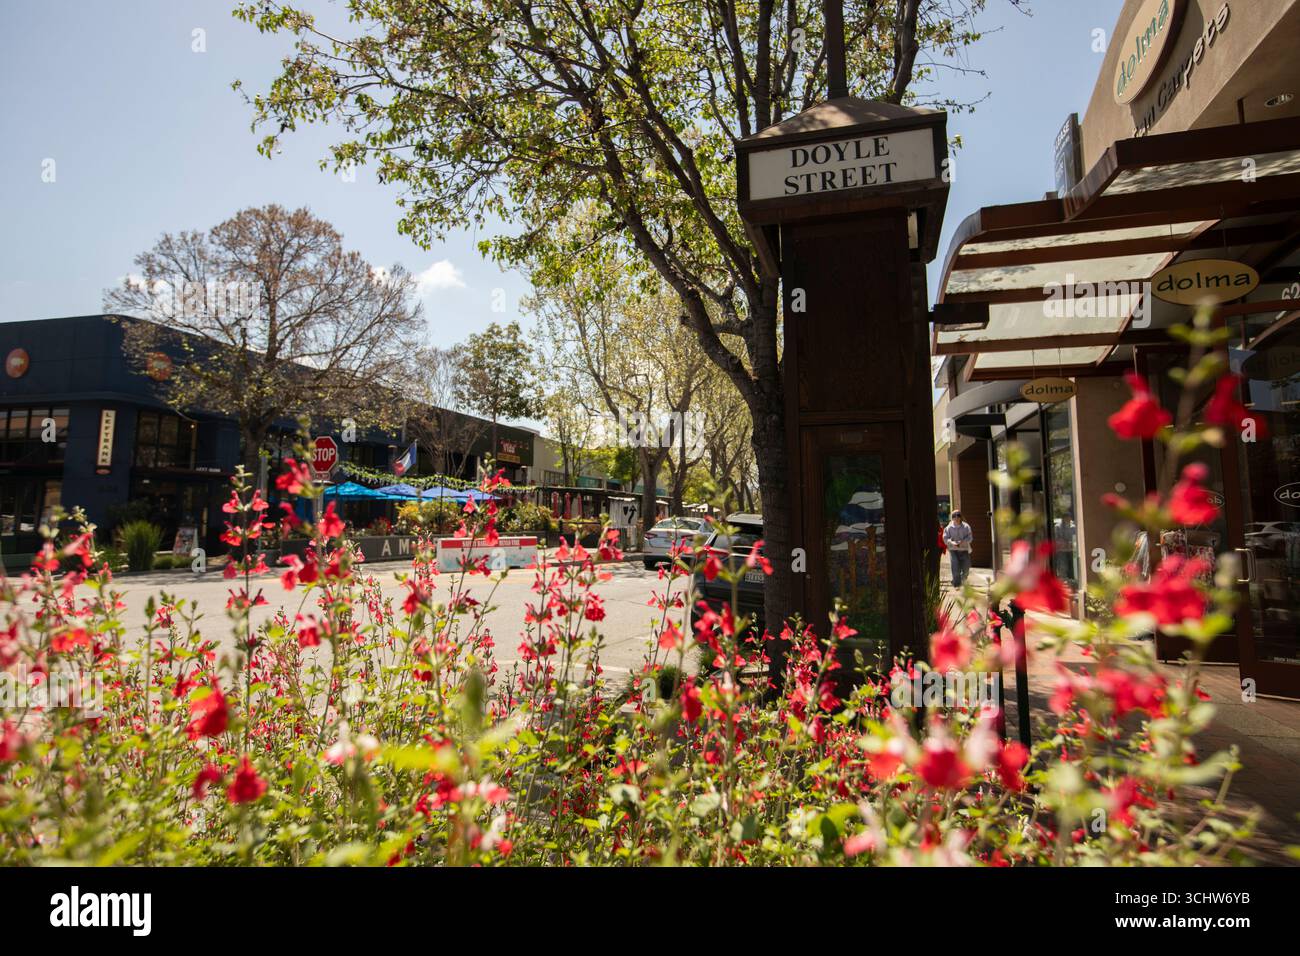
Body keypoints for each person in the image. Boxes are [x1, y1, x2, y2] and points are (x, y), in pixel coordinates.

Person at [943, 510, 974, 588]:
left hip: (964, 549)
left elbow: (970, 538)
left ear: (961, 517)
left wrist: (963, 541)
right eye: (954, 515)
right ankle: (957, 584)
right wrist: (952, 542)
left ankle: (963, 580)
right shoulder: (948, 528)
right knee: (955, 566)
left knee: (966, 568)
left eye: (958, 515)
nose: (956, 517)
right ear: (951, 517)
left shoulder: (966, 526)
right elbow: (945, 538)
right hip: (953, 550)